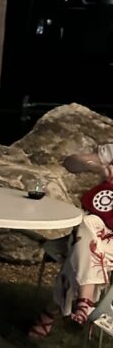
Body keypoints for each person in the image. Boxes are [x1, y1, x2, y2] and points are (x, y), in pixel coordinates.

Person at [29, 143, 113, 338]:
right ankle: (85, 303)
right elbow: (70, 162)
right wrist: (99, 167)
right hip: (95, 227)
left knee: (79, 246)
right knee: (87, 226)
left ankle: (53, 309)